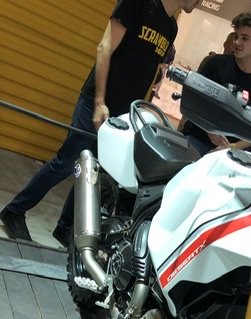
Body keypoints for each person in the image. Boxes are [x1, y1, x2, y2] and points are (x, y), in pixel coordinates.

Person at [0, 0, 199, 247]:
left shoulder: (171, 27)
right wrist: (99, 102)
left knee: (92, 171)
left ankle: (65, 227)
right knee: (65, 163)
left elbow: (147, 65)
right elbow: (105, 48)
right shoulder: (137, 3)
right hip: (97, 101)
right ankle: (15, 211)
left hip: (122, 115)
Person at [182, 12, 251, 156]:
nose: (237, 42)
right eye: (236, 36)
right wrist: (208, 127)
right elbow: (194, 100)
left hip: (228, 153)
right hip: (196, 138)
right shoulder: (214, 64)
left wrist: (231, 147)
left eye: (244, 38)